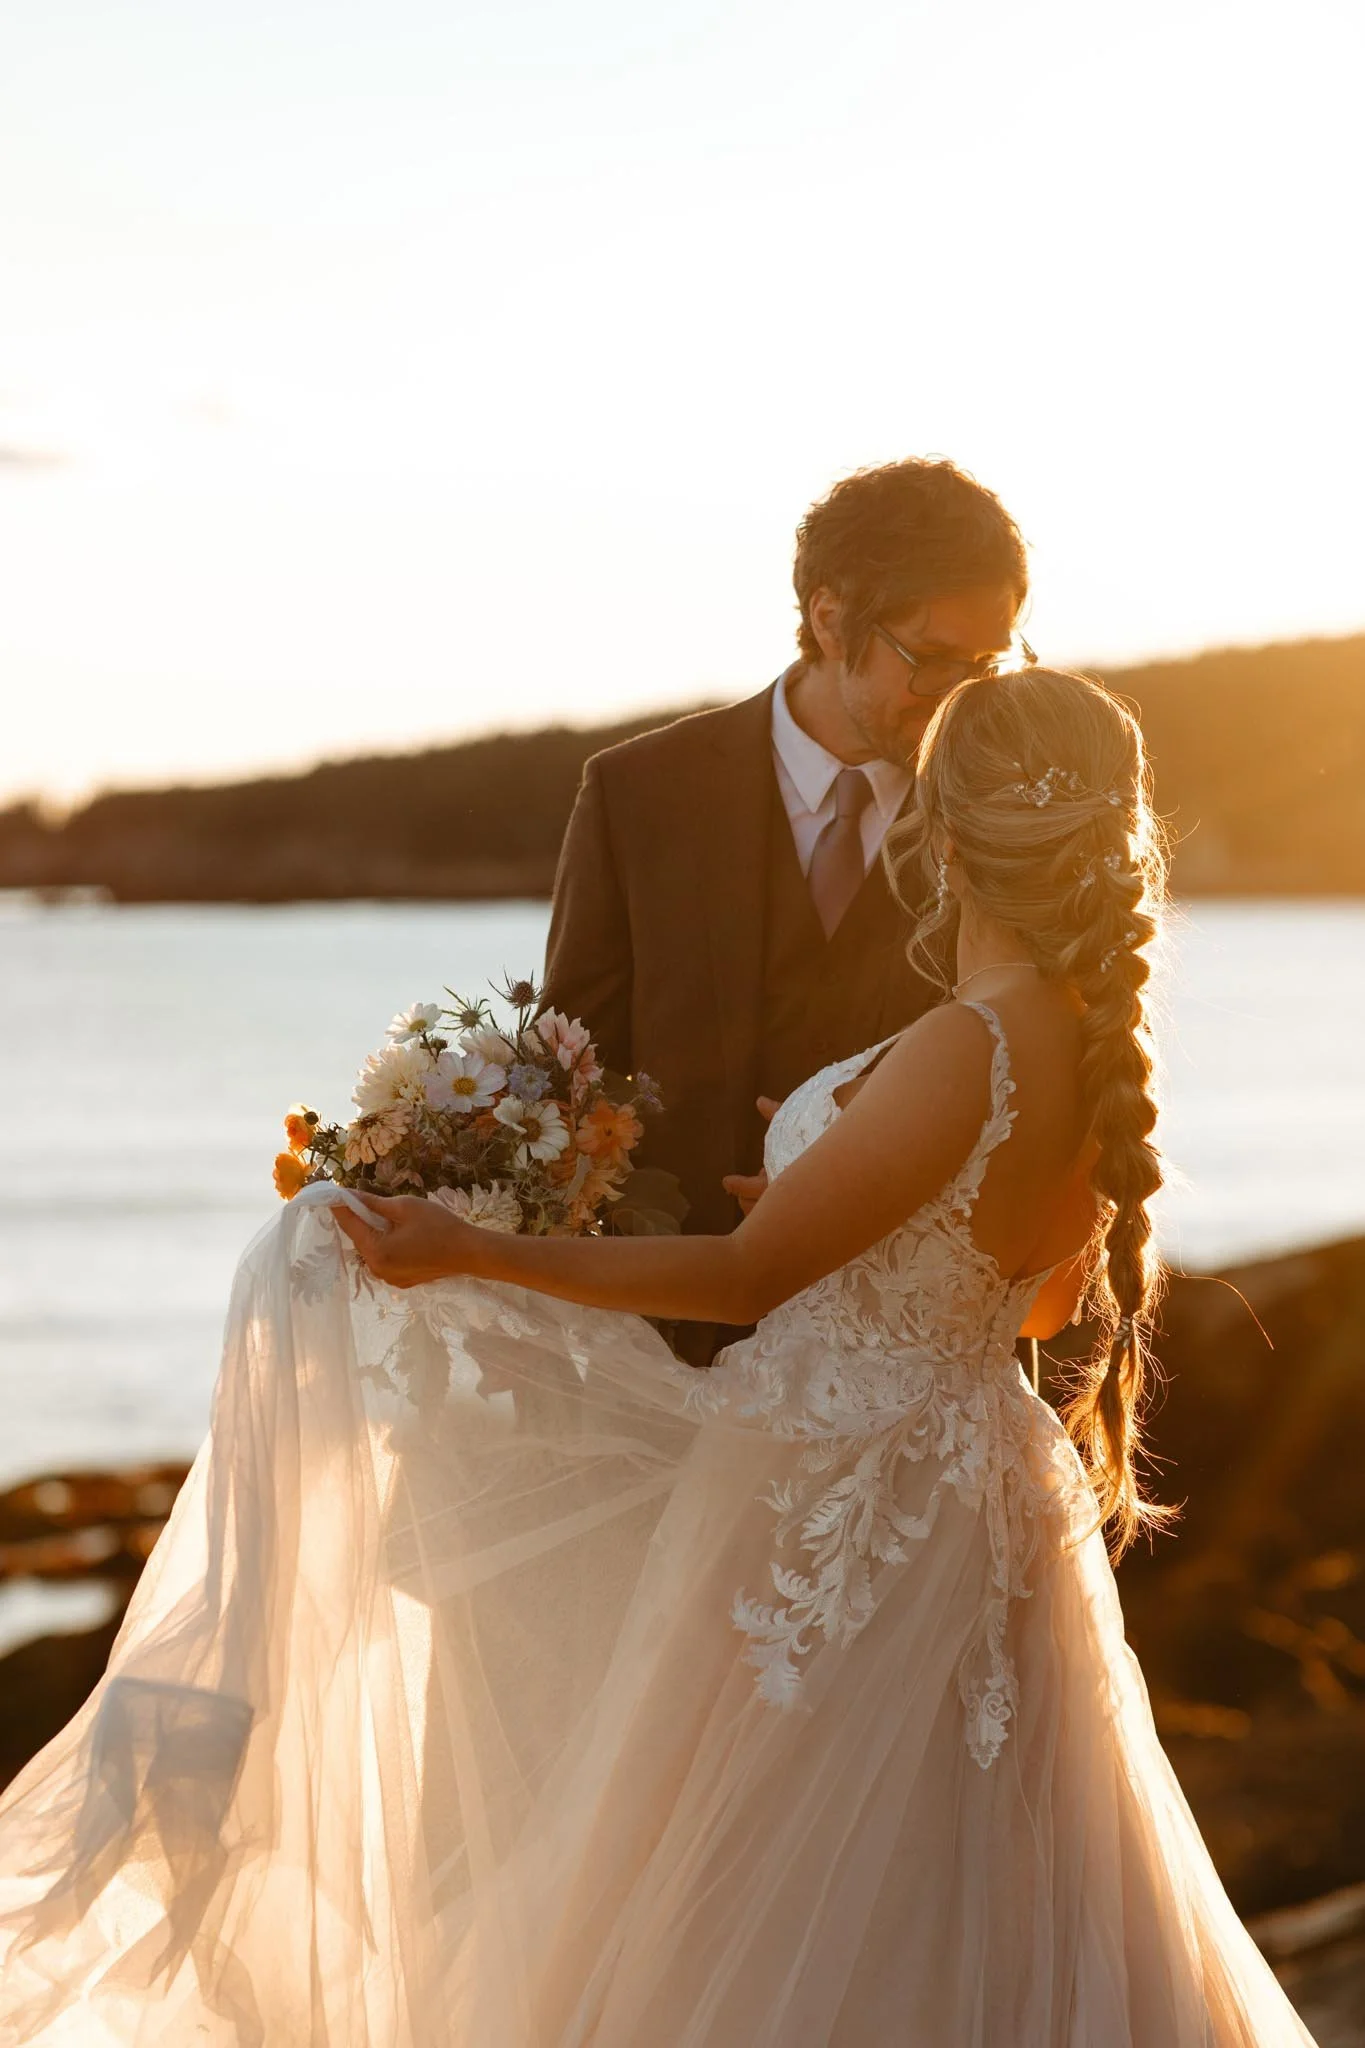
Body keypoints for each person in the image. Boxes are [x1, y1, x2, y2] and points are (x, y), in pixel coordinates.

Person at [0, 670, 1314, 2046]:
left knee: (762, 1883)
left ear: (942, 829)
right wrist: (848, 1205)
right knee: (963, 1872)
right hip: (976, 1484)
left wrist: (471, 1250)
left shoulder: (964, 1043)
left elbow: (743, 1278)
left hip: (840, 1500)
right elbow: (1026, 1309)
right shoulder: (1086, 1043)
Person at [541, 458, 1031, 1265]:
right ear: (829, 620)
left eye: (982, 666)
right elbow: (570, 1066)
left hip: (900, 1298)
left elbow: (1040, 1075)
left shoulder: (1013, 810)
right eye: (930, 657)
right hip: (665, 1308)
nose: (957, 695)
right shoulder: (636, 792)